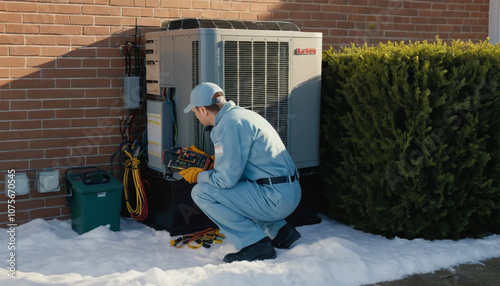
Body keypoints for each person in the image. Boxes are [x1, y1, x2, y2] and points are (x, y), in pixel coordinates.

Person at [179, 82, 302, 263]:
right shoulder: (241, 115)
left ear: (203, 110)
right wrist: (213, 164)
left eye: (195, 112)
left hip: (275, 198)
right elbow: (244, 166)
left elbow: (225, 181)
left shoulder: (227, 126)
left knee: (202, 192)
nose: (196, 116)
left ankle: (255, 244)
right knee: (235, 188)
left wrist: (198, 175)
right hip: (286, 191)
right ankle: (280, 231)